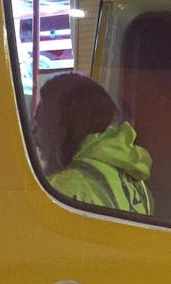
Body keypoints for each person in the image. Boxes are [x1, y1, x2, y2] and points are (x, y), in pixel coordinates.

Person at [32, 72, 153, 214]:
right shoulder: (135, 183)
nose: (33, 131)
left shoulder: (63, 190)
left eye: (40, 122)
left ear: (63, 128)